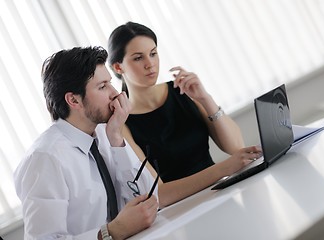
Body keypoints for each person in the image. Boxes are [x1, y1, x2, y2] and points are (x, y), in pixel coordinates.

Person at [107, 22, 262, 208]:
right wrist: (225, 168)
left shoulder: (182, 91)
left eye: (153, 53)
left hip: (224, 195)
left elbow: (236, 147)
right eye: (138, 58)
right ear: (118, 67)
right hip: (181, 213)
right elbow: (160, 195)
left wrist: (205, 98)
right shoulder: (122, 122)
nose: (150, 64)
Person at [14, 46, 159, 240]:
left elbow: (148, 200)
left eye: (110, 83)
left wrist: (117, 139)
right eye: (102, 86)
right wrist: (111, 233)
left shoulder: (105, 133)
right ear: (73, 100)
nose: (115, 93)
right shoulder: (45, 158)